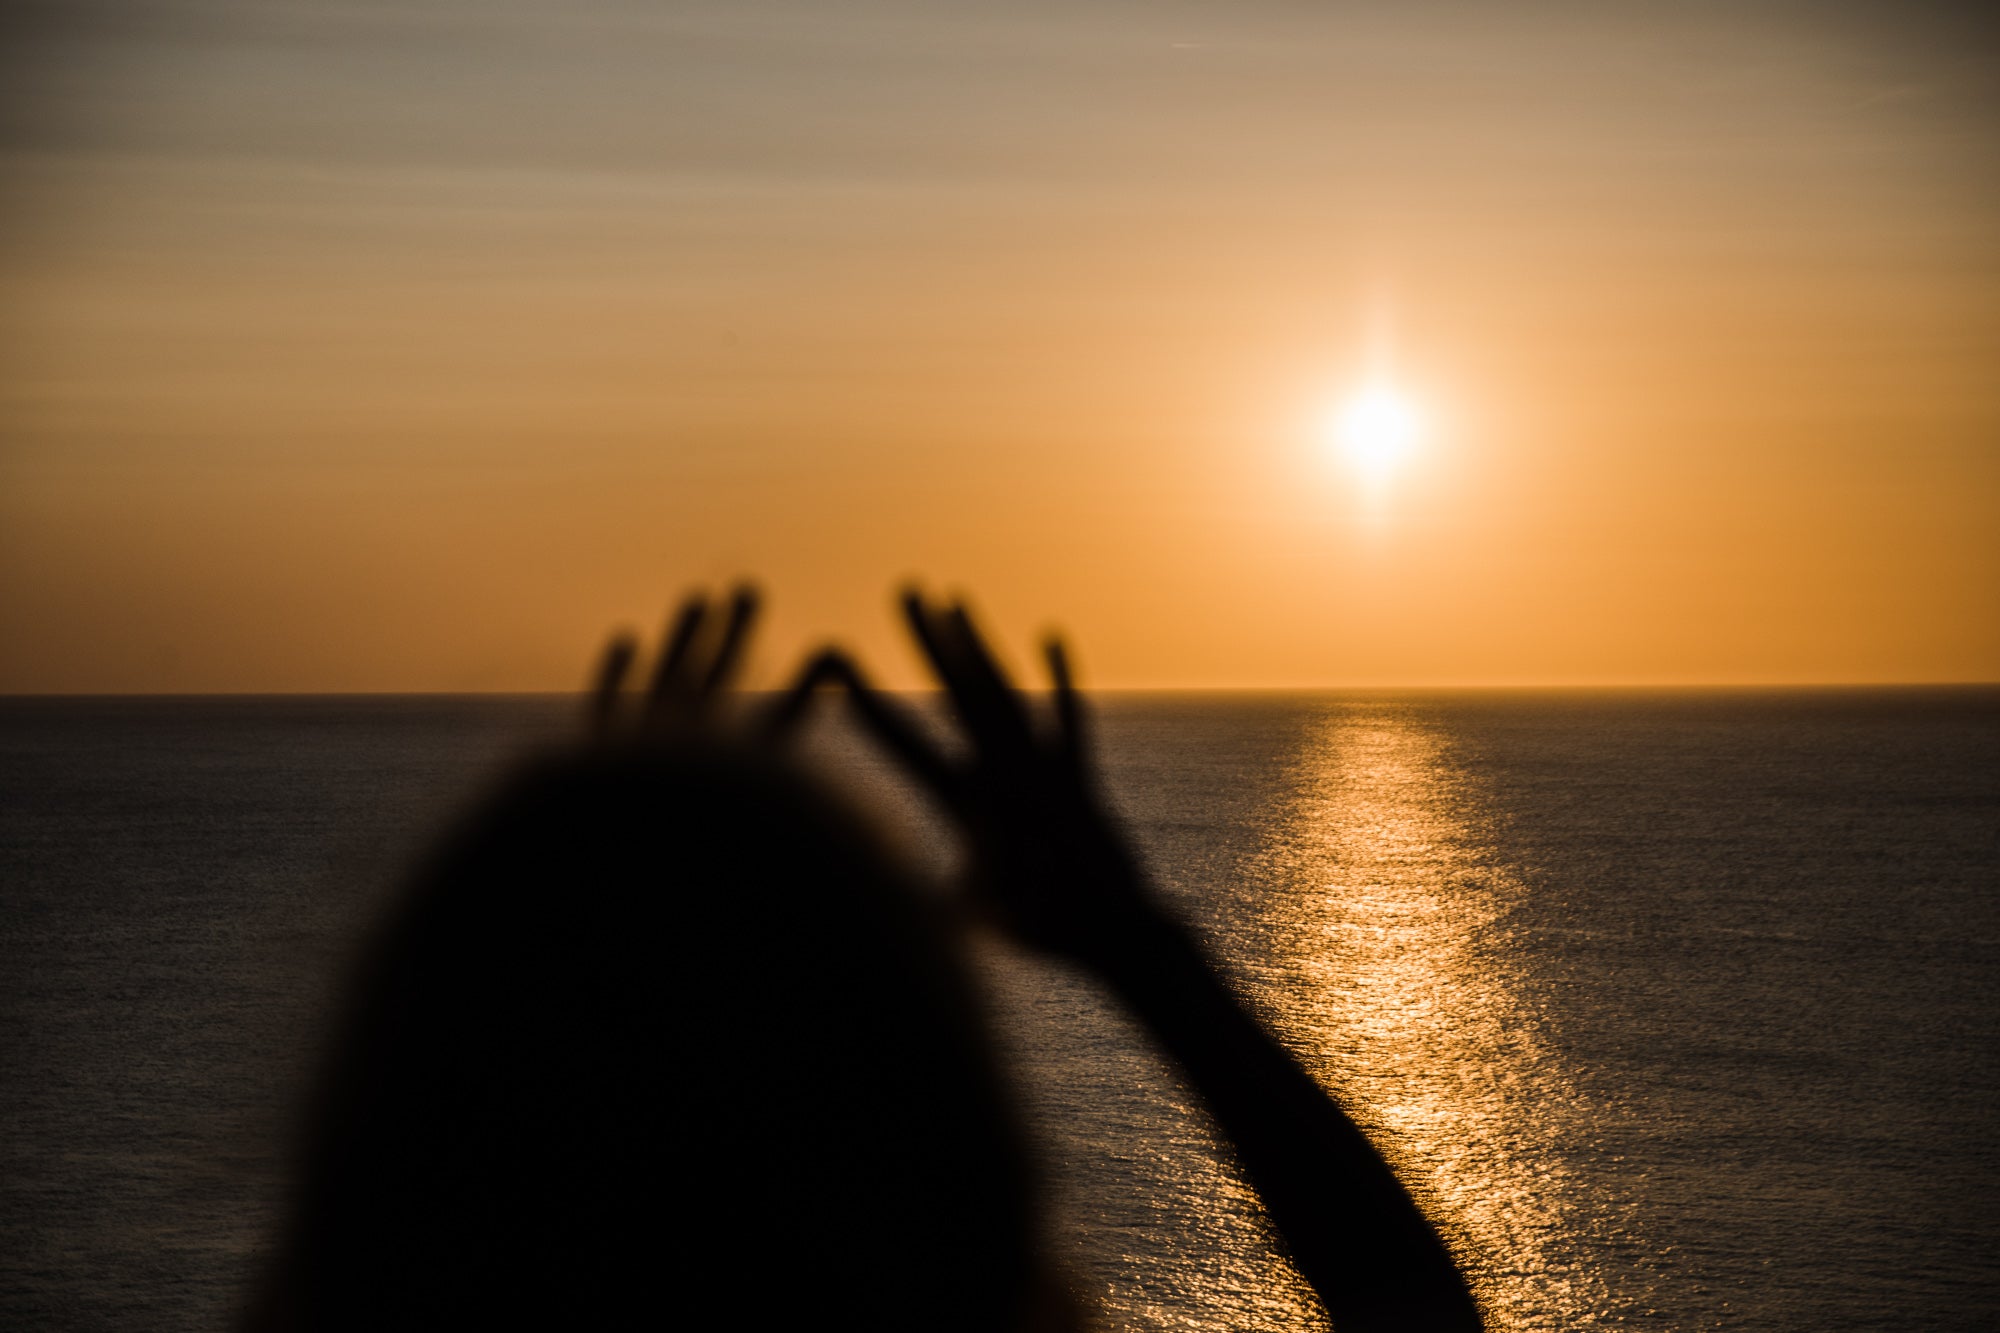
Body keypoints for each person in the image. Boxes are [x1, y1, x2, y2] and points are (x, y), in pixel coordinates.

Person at [248, 586, 1483, 1332]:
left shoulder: (408, 1232)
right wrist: (1128, 941)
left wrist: (575, 912)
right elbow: (1410, 1313)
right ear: (955, 1162)